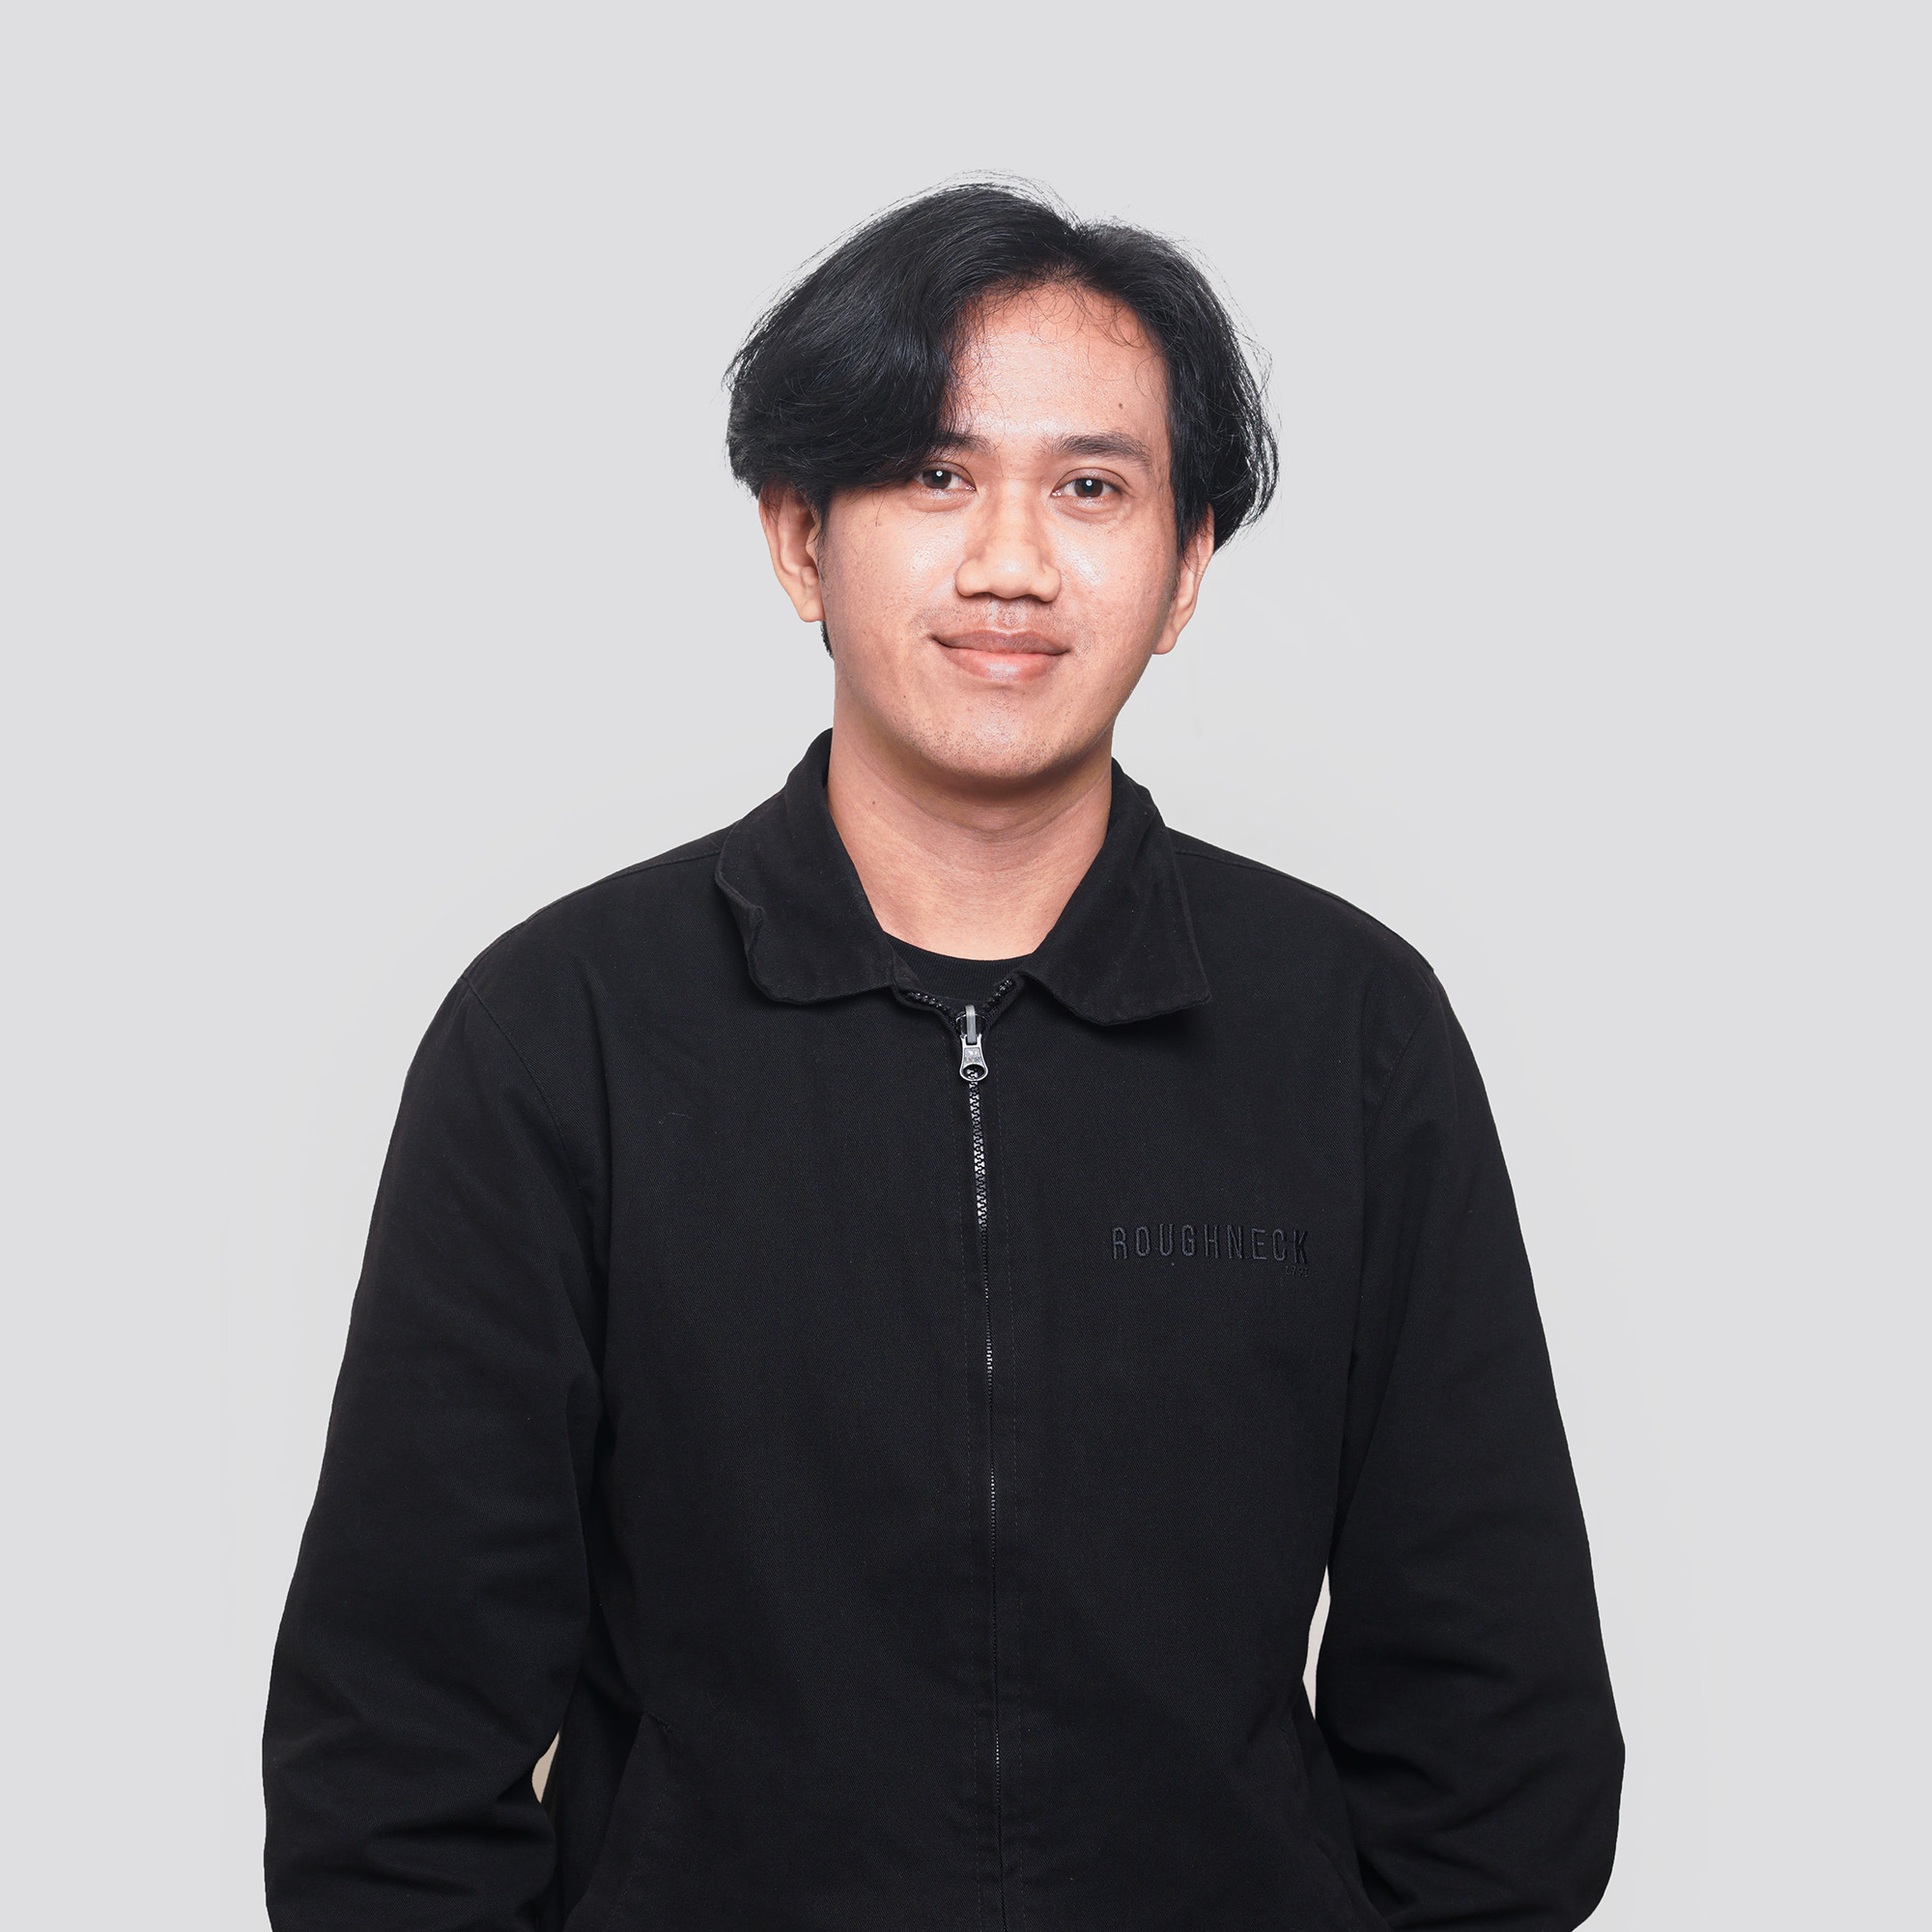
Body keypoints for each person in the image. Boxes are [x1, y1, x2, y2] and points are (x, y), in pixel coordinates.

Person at [264, 182, 1622, 1931]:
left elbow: (1499, 1734)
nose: (1011, 562)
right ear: (798, 541)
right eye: (931, 474)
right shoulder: (562, 1037)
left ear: (1186, 566)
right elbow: (392, 1754)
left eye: (1092, 487)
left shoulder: (1351, 1034)